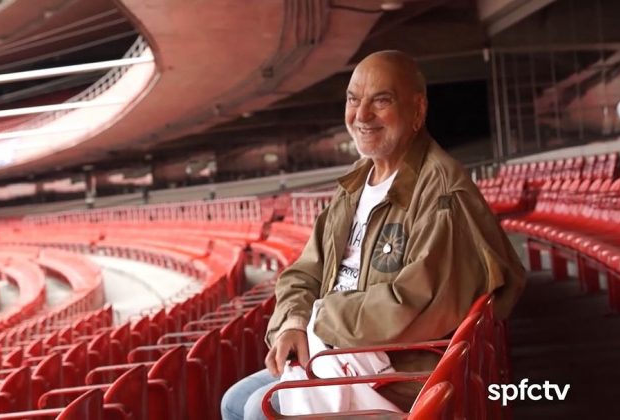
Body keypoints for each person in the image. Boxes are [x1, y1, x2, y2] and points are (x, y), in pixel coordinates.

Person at [220, 50, 526, 420]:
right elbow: (305, 271)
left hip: (397, 372)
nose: (361, 116)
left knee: (256, 410)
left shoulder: (442, 190)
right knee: (234, 401)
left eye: (381, 101)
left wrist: (323, 318)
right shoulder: (355, 182)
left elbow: (420, 301)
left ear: (417, 111)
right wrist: (295, 322)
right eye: (353, 99)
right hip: (336, 347)